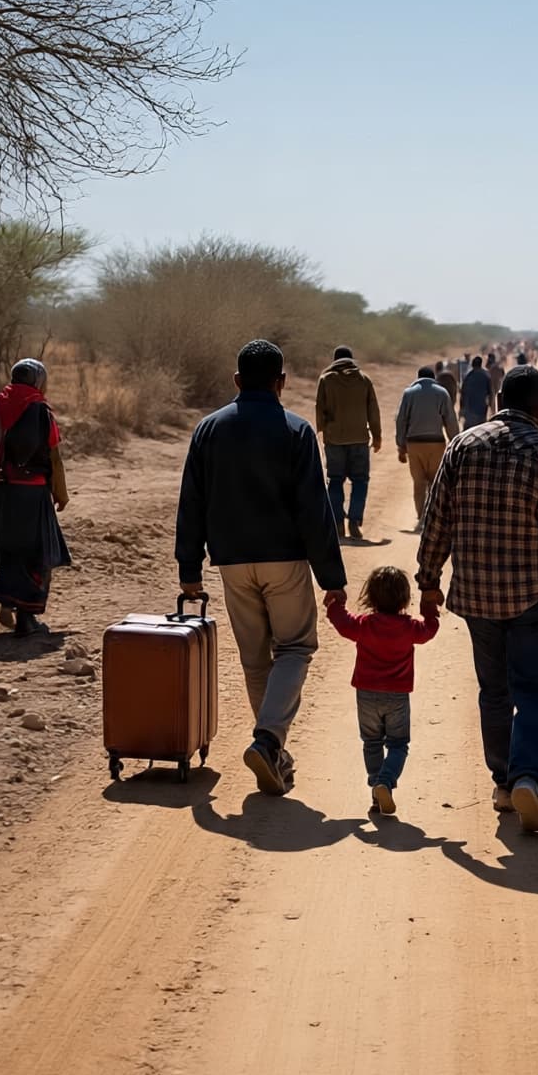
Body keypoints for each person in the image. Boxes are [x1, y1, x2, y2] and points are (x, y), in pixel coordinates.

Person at [417, 366, 538, 833]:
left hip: (478, 595)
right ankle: (526, 776)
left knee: (493, 691)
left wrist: (428, 579)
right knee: (534, 691)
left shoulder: (462, 446)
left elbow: (436, 516)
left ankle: (502, 781)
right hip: (533, 597)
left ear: (499, 396)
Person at [176, 339, 348, 796]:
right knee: (293, 649)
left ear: (236, 381)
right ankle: (268, 739)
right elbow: (316, 510)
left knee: (255, 660)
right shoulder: (295, 430)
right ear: (282, 383)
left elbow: (191, 502)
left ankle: (271, 750)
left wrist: (188, 567)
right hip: (285, 560)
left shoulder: (207, 430)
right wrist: (331, 578)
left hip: (231, 562)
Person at [0, 358, 70, 637]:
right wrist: (60, 492)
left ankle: (8, 601)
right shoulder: (40, 409)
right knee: (35, 552)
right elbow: (54, 457)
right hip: (29, 490)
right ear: (37, 380)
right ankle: (26, 616)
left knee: (7, 548)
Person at [327, 565, 440, 816]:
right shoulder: (409, 627)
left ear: (372, 597)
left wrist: (336, 603)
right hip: (397, 696)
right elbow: (429, 631)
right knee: (398, 744)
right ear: (404, 599)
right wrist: (430, 611)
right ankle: (385, 782)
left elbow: (342, 623)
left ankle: (376, 790)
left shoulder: (365, 624)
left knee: (371, 742)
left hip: (366, 694)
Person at [315, 345, 382, 541]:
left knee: (335, 481)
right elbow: (373, 411)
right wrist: (377, 436)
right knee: (360, 481)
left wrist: (324, 430)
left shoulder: (326, 380)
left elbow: (319, 408)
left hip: (334, 440)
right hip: (360, 439)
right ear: (352, 360)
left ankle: (337, 522)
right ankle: (354, 521)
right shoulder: (363, 380)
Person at [395, 366, 459, 527]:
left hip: (414, 444)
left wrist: (401, 445)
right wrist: (455, 441)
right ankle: (432, 517)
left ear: (418, 377)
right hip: (436, 443)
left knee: (418, 482)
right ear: (433, 378)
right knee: (435, 482)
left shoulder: (408, 393)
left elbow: (401, 420)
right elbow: (450, 419)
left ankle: (421, 517)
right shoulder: (442, 393)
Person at [460, 354, 495, 429]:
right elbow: (491, 393)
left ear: (472, 364)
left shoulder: (468, 376)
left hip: (469, 409)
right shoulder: (486, 375)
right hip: (481, 410)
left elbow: (462, 393)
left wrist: (461, 409)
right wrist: (491, 407)